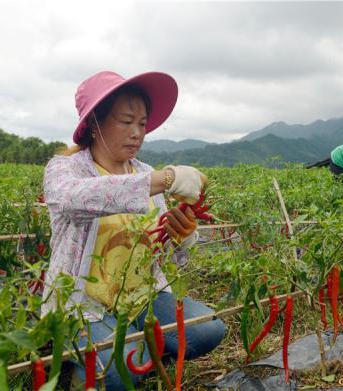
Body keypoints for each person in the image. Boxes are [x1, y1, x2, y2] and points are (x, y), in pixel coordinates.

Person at [42, 71, 225, 389]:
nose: (137, 133)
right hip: (82, 301)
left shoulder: (145, 172)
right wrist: (164, 180)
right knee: (121, 370)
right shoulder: (66, 169)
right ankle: (110, 359)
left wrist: (183, 237)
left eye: (141, 124)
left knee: (209, 329)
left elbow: (168, 257)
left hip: (142, 296)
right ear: (95, 124)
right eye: (126, 121)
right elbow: (72, 197)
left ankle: (134, 351)